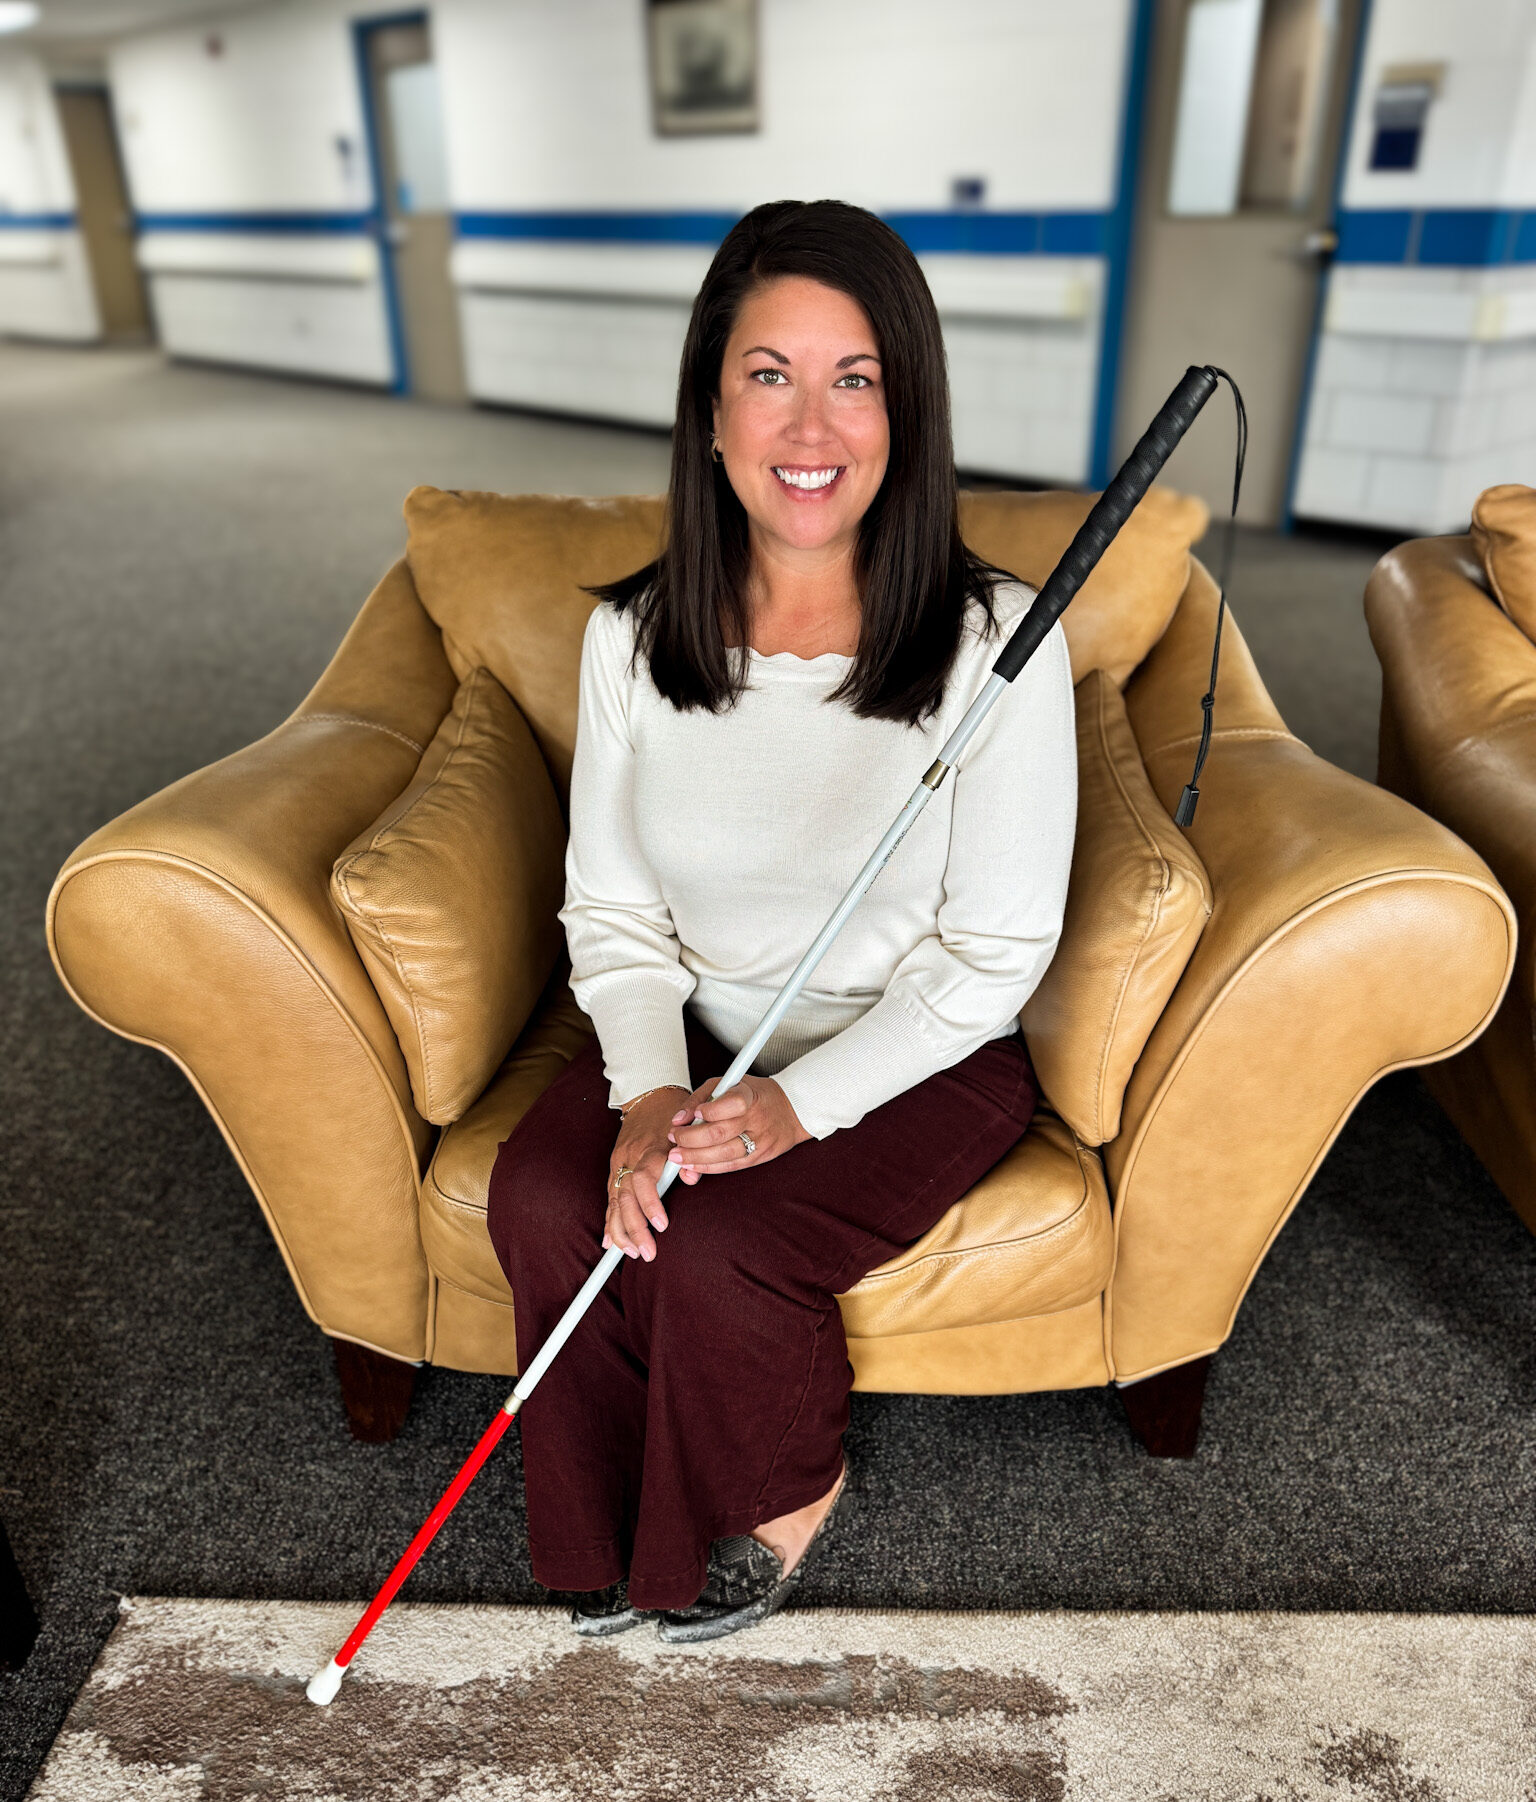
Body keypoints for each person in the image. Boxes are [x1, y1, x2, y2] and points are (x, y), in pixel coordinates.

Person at [486, 197, 1077, 1644]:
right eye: (769, 374)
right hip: (701, 1027)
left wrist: (801, 1108)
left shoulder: (1001, 643)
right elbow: (612, 909)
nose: (811, 425)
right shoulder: (630, 638)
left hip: (923, 1051)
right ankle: (608, 1518)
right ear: (710, 410)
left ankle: (784, 1487)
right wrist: (650, 1091)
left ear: (905, 411)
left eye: (855, 377)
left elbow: (994, 953)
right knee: (548, 1195)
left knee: (724, 1237)